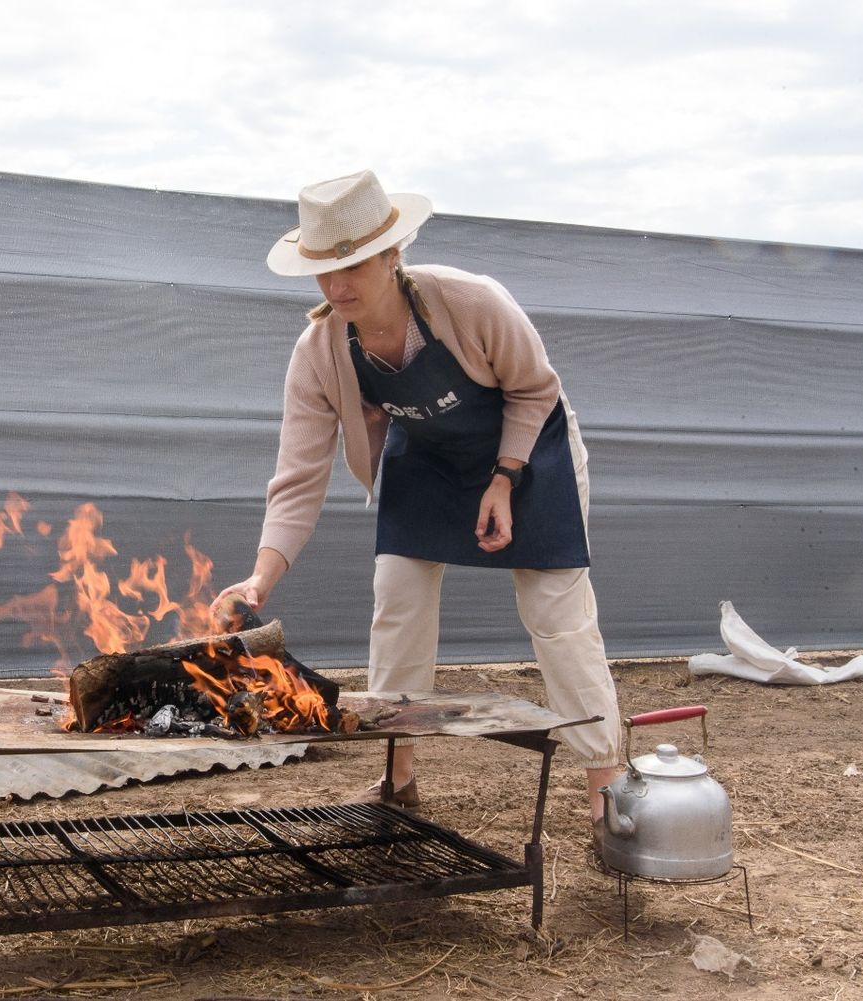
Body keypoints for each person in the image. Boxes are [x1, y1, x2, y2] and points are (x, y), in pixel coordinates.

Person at [213, 169, 622, 822]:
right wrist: (260, 579)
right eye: (325, 269)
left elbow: (535, 386)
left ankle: (607, 783)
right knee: (397, 595)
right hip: (428, 458)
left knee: (555, 611)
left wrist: (504, 477)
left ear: (392, 254)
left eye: (354, 265)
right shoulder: (320, 350)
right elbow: (297, 477)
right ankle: (397, 775)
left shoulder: (471, 301)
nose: (338, 285)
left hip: (527, 444)